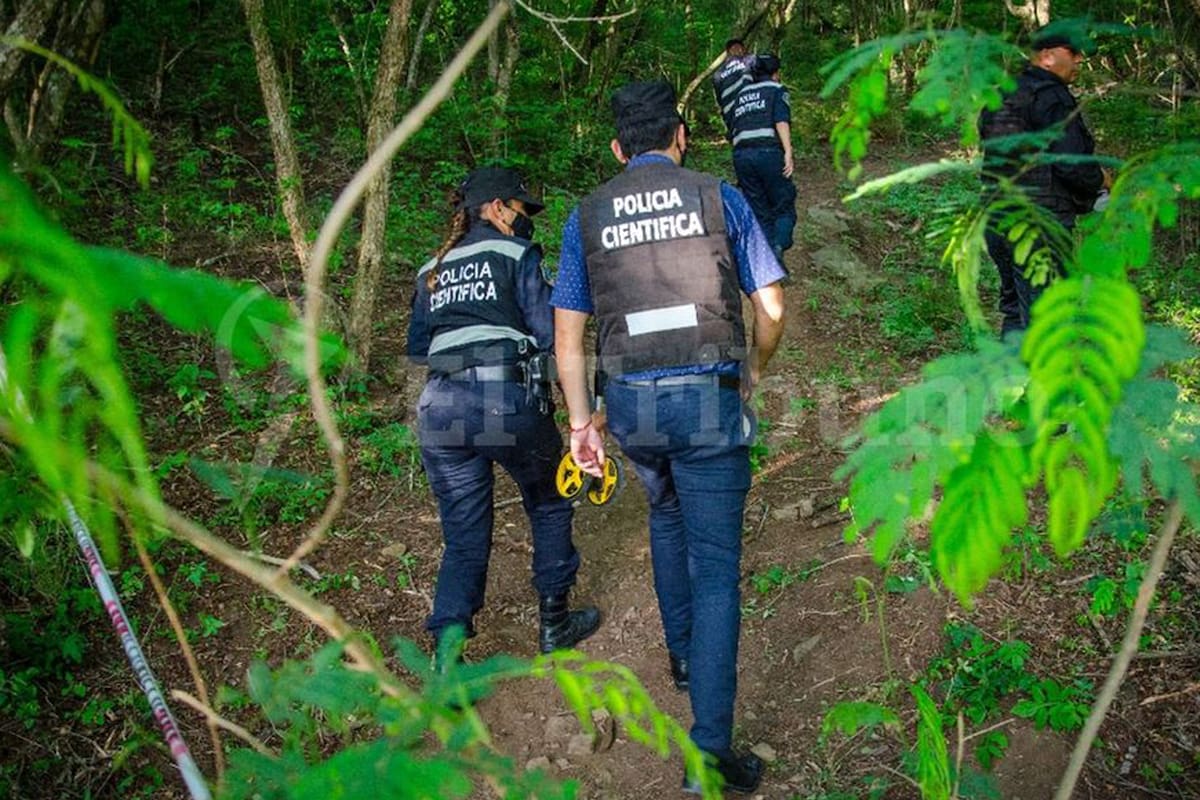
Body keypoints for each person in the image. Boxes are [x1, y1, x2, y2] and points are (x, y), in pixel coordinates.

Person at [551, 80, 786, 795]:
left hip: (633, 407)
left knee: (665, 512)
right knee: (716, 569)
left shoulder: (584, 217)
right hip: (709, 400)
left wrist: (581, 422)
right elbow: (772, 306)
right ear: (681, 137)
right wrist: (751, 371)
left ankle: (684, 655)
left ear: (619, 149)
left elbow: (568, 338)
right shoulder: (722, 197)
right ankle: (709, 752)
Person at [406, 165, 601, 658]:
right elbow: (549, 334)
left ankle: (447, 662)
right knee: (550, 500)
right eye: (519, 208)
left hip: (440, 408)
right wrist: (585, 410)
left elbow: (417, 349)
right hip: (503, 398)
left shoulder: (431, 269)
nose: (523, 220)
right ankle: (555, 625)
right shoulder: (515, 252)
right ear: (496, 208)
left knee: (464, 536)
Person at [978, 26, 1112, 336]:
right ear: (1047, 57)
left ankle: (1009, 382)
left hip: (997, 218)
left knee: (1016, 309)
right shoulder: (1052, 96)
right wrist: (1101, 179)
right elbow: (1072, 163)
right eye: (1072, 52)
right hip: (1039, 223)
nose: (1080, 59)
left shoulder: (1000, 96)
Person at [728, 53, 797, 265]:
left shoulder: (740, 95)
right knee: (783, 206)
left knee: (759, 208)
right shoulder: (776, 89)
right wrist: (787, 151)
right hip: (768, 153)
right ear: (775, 73)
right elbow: (781, 120)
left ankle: (767, 261)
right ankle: (778, 246)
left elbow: (733, 128)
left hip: (742, 156)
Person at [711, 37, 755, 140]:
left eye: (739, 47)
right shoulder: (749, 60)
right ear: (729, 52)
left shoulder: (719, 73)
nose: (737, 50)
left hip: (734, 112)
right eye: (734, 48)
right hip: (750, 106)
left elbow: (719, 98)